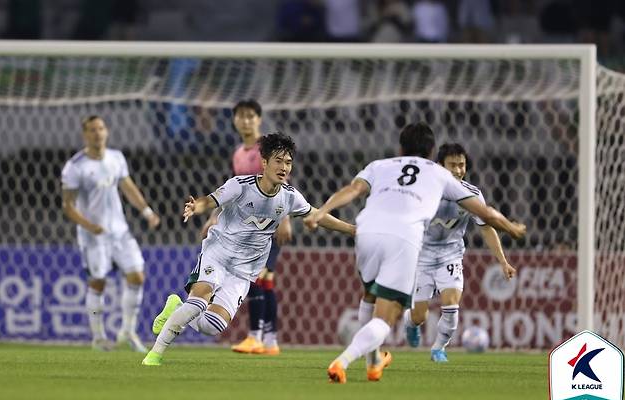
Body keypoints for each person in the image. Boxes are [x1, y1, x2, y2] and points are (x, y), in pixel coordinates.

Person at [304, 122, 526, 383]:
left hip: (366, 232)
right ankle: (342, 362)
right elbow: (486, 214)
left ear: (400, 147)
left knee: (370, 295)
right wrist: (511, 228)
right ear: (432, 153)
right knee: (388, 315)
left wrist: (320, 213)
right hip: (404, 237)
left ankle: (374, 361)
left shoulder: (379, 165)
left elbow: (352, 190)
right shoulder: (439, 174)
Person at [142, 132, 355, 366]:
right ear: (264, 163)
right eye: (278, 161)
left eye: (288, 162)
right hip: (218, 253)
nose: (284, 167)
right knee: (201, 299)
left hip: (245, 269)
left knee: (212, 326)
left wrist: (352, 230)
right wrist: (197, 206)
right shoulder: (240, 186)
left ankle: (176, 306)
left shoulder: (290, 197)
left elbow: (317, 215)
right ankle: (155, 354)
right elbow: (211, 199)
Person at [402, 142, 516, 362]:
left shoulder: (472, 195)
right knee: (419, 315)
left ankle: (438, 349)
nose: (457, 170)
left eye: (461, 165)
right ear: (439, 166)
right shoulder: (421, 191)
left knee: (451, 305)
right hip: (422, 258)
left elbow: (486, 227)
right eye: (452, 165)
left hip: (450, 255)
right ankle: (410, 323)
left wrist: (503, 261)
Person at [199, 99, 291, 356]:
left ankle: (255, 336)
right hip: (244, 229)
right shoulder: (239, 153)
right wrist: (213, 217)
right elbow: (234, 192)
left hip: (268, 226)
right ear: (234, 120)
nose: (246, 121)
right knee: (266, 280)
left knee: (257, 277)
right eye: (241, 116)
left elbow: (282, 184)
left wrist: (285, 220)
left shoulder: (268, 150)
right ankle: (270, 340)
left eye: (251, 116)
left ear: (259, 119)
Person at [61, 115, 160, 352]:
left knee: (137, 276)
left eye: (101, 128)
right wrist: (89, 225)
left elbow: (128, 188)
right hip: (93, 235)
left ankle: (127, 331)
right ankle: (98, 337)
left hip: (120, 231)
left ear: (107, 131)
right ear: (85, 135)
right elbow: (68, 205)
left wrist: (147, 211)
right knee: (98, 283)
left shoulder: (117, 158)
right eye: (92, 130)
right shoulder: (75, 166)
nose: (98, 133)